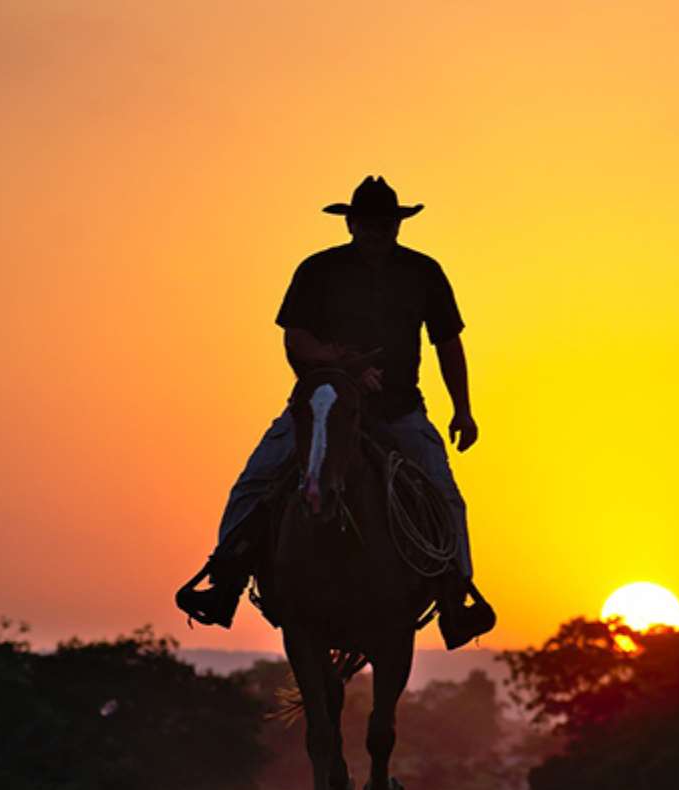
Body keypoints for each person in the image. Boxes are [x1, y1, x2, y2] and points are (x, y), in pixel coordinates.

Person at [176, 176, 495, 649]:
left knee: (445, 494)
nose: (376, 231)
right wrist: (342, 364)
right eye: (367, 222)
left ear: (397, 226)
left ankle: (455, 599)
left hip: (398, 410)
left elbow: (448, 342)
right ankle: (224, 582)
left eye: (385, 223)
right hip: (321, 405)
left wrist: (463, 410)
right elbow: (295, 340)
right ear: (350, 223)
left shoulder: (424, 272)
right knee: (256, 482)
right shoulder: (317, 271)